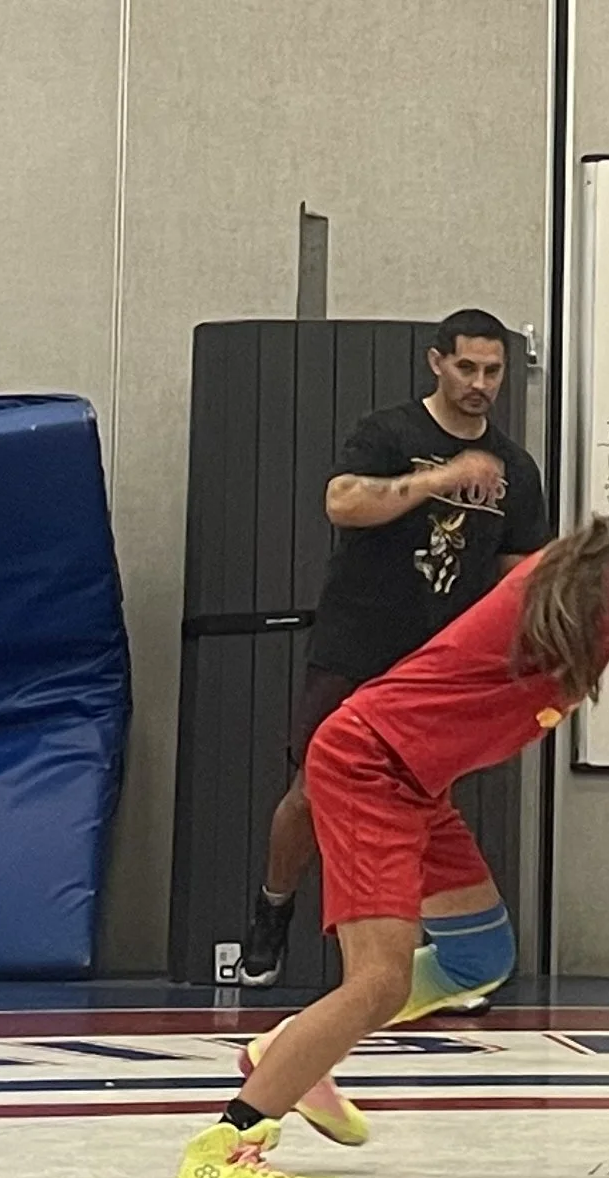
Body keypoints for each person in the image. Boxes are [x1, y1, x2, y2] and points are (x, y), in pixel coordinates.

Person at [173, 457, 609, 1178]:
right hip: (371, 769)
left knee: (478, 955)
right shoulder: (602, 593)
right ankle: (225, 1147)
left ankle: (290, 1051)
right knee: (378, 982)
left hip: (410, 779)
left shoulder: (592, 577)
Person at [238, 307, 550, 996]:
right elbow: (343, 502)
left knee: (422, 801)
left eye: (493, 371)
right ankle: (274, 907)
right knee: (311, 791)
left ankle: (434, 961)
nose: (480, 383)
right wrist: (438, 481)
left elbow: (516, 570)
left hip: (438, 663)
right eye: (466, 367)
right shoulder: (389, 432)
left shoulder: (515, 470)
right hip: (359, 643)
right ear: (437, 362)